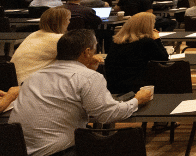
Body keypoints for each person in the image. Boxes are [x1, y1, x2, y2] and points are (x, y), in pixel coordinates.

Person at [11, 30, 152, 156]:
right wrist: (137, 100)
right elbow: (107, 115)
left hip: (18, 149)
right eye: (95, 48)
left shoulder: (34, 76)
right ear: (86, 52)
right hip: (57, 151)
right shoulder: (87, 78)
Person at [104, 12, 169, 94]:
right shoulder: (146, 42)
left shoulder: (116, 42)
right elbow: (164, 59)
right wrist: (157, 39)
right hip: (136, 87)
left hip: (113, 87)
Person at [11, 7, 69, 84]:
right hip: (28, 84)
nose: (69, 22)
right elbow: (83, 56)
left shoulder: (34, 34)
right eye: (68, 19)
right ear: (62, 22)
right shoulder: (58, 39)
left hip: (14, 80)